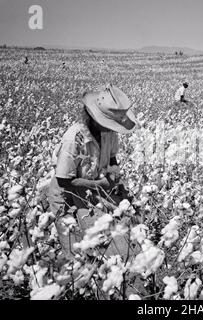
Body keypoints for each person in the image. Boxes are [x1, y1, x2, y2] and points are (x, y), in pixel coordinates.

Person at [47, 84, 139, 263]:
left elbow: (112, 159)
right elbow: (64, 180)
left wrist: (114, 174)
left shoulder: (109, 132)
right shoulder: (74, 138)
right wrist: (100, 185)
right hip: (66, 197)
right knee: (76, 253)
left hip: (93, 191)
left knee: (107, 241)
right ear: (94, 118)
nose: (112, 127)